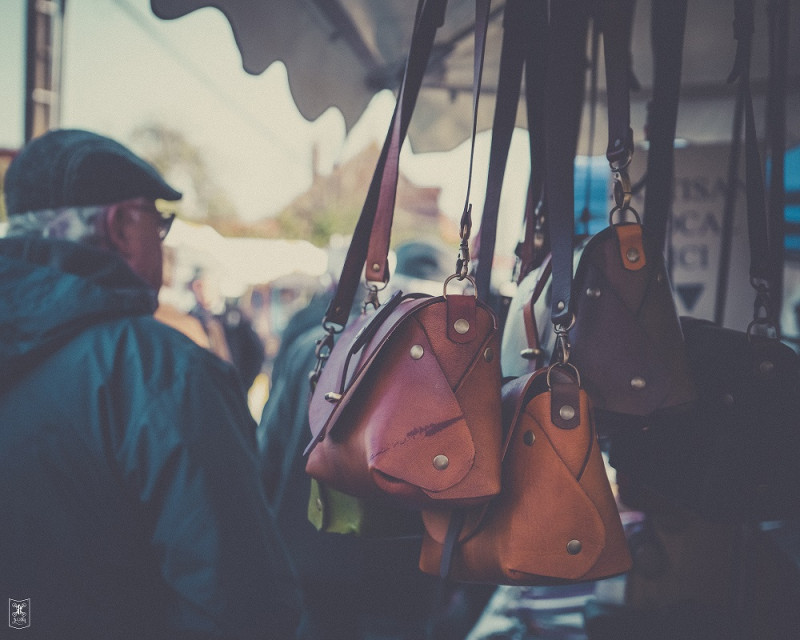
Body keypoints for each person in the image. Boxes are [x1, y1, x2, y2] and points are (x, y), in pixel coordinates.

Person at [0, 129, 303, 639]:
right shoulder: (162, 369)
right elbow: (239, 601)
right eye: (157, 222)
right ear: (120, 226)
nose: (162, 245)